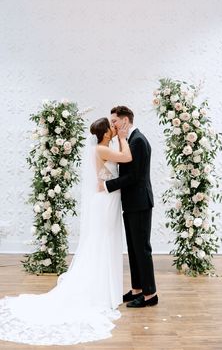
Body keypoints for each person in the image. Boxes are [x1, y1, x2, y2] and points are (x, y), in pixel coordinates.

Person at [0, 117, 132, 346]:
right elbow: (127, 158)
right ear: (106, 133)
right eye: (111, 127)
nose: (115, 127)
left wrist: (118, 143)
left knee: (107, 242)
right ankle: (100, 291)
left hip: (108, 199)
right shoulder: (102, 148)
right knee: (101, 242)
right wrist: (123, 138)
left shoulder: (104, 147)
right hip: (106, 202)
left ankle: (107, 290)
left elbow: (107, 175)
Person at [103, 106, 158, 308]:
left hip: (140, 203)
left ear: (125, 120)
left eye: (115, 122)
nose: (113, 125)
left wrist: (107, 185)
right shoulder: (129, 141)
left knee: (142, 249)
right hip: (132, 203)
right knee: (134, 249)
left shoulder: (138, 141)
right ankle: (137, 289)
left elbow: (134, 176)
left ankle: (150, 294)